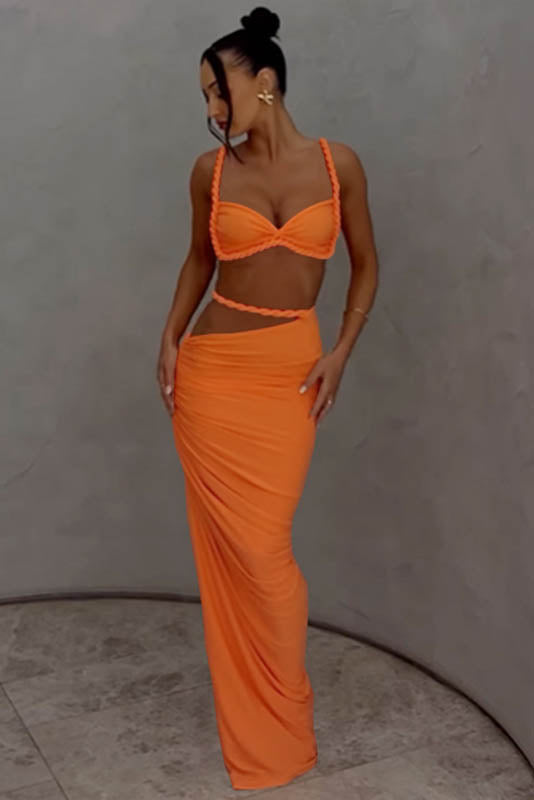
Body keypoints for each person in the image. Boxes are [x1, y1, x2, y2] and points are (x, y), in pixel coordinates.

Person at [156, 6, 378, 791]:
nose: (213, 109)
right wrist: (168, 339)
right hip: (213, 373)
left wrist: (341, 352)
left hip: (291, 370)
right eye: (205, 98)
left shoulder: (338, 164)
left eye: (220, 91)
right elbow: (198, 260)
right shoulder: (210, 173)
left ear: (266, 81)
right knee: (242, 553)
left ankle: (283, 708)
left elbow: (365, 263)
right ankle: (263, 723)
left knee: (267, 554)